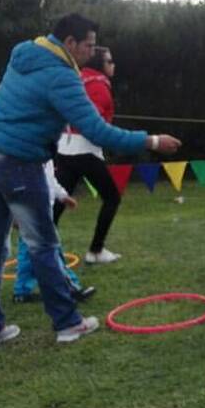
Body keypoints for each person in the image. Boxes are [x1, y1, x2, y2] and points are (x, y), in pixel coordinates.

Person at [0, 13, 180, 351]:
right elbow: (97, 130)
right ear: (70, 44)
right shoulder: (62, 75)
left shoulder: (25, 54)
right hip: (19, 163)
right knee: (43, 244)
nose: (91, 51)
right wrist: (152, 141)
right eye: (88, 45)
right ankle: (68, 324)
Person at [53, 46, 125, 264]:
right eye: (109, 61)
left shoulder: (79, 80)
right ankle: (95, 250)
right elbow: (92, 125)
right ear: (99, 65)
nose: (113, 65)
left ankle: (40, 244)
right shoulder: (99, 87)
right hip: (85, 150)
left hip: (65, 148)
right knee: (112, 197)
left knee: (59, 200)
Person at [12, 160, 95, 303]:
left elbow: (50, 180)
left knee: (27, 252)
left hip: (43, 209)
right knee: (52, 250)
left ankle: (22, 291)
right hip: (31, 211)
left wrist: (62, 196)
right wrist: (15, 214)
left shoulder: (46, 155)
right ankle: (71, 288)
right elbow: (14, 183)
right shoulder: (26, 153)